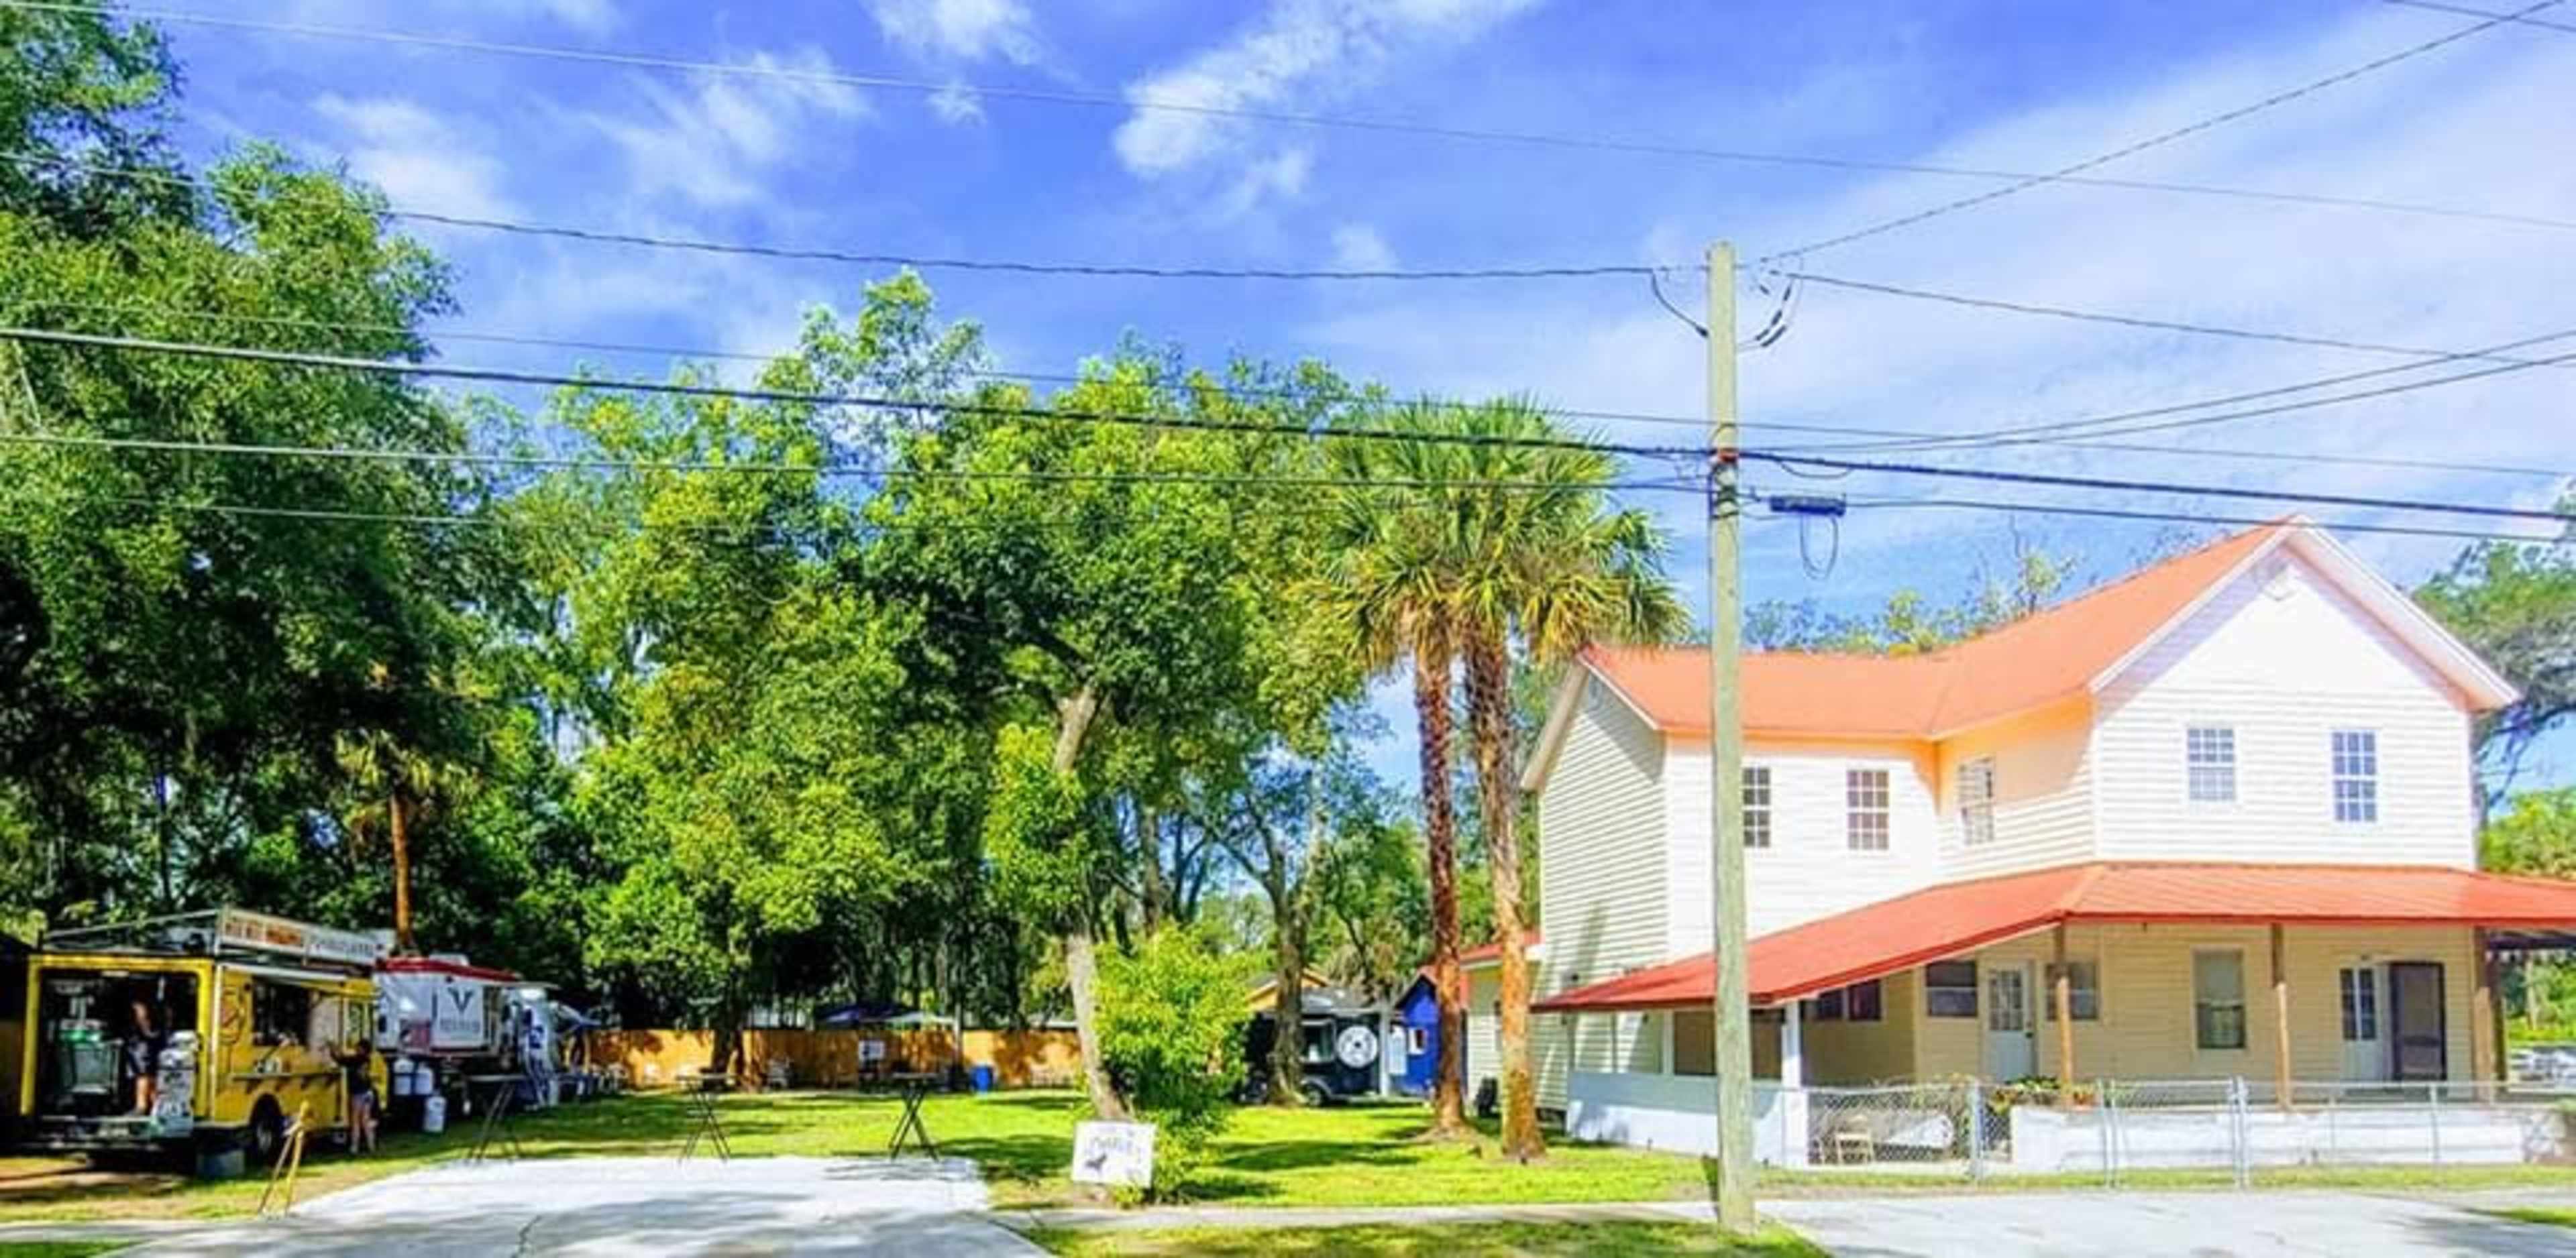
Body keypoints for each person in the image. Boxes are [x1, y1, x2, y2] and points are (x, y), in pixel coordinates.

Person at [337, 1041, 379, 1153]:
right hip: (368, 1092)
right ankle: (371, 1146)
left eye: (358, 1046)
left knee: (355, 1120)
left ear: (363, 1049)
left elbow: (340, 1060)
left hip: (358, 1093)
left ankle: (354, 1147)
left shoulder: (356, 1060)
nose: (356, 1047)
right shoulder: (366, 1060)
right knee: (365, 1120)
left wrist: (332, 1049)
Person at [127, 997, 164, 1117]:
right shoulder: (156, 1017)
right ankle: (155, 1106)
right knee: (150, 1077)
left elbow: (146, 1030)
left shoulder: (144, 1021)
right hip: (145, 1047)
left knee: (143, 1077)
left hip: (142, 1048)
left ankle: (142, 1106)